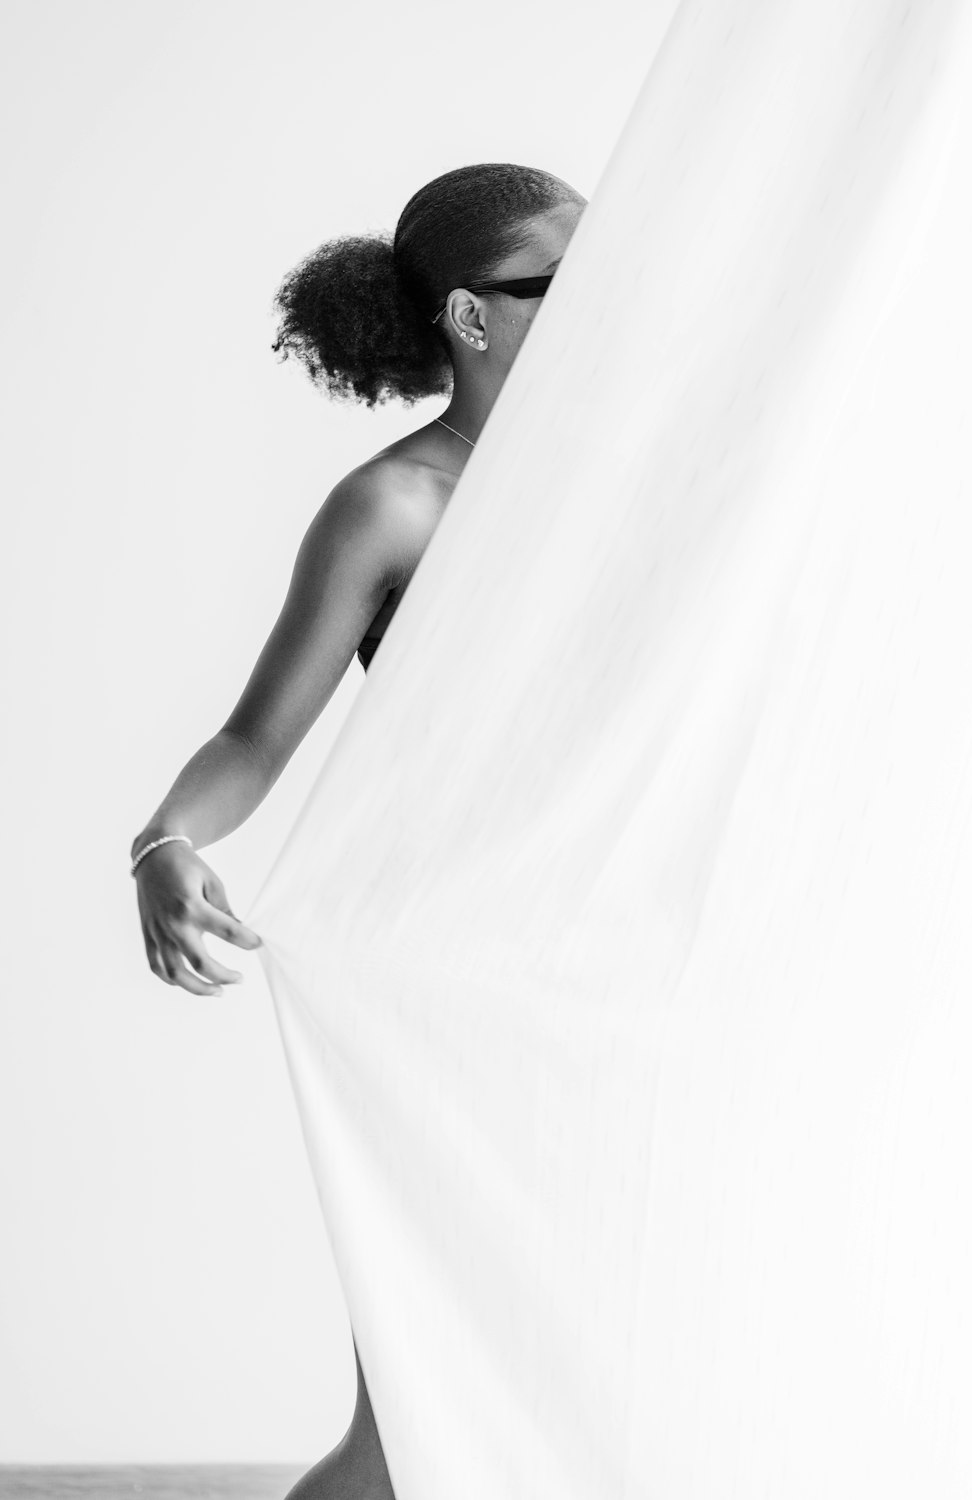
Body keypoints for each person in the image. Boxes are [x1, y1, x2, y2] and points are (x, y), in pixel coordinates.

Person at [129, 161, 587, 1500]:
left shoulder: (643, 477)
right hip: (457, 973)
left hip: (621, 966)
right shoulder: (395, 505)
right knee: (413, 1421)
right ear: (470, 317)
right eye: (557, 285)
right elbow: (255, 740)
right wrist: (165, 846)